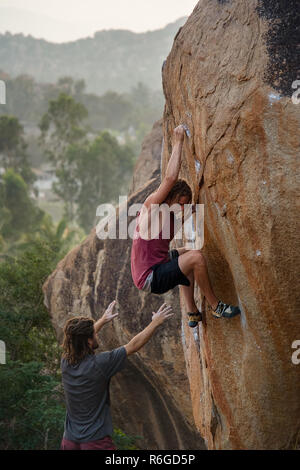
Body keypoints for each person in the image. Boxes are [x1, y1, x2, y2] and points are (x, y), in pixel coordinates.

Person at [131, 124, 241, 328]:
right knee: (196, 258)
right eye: (180, 204)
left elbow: (194, 210)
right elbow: (170, 178)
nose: (183, 209)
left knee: (190, 252)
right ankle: (216, 307)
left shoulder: (174, 215)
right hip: (150, 277)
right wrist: (178, 141)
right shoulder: (152, 207)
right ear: (169, 198)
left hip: (157, 265)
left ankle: (192, 312)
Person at [60, 301, 173, 450]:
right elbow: (132, 346)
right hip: (95, 442)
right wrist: (155, 323)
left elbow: (79, 338)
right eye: (94, 334)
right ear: (88, 341)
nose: (97, 335)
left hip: (69, 441)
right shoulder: (100, 364)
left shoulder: (66, 362)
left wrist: (102, 320)